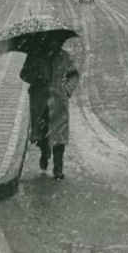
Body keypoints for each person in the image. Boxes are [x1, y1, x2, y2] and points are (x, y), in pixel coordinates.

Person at [19, 38, 79, 179]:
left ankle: (58, 167)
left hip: (58, 101)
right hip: (40, 100)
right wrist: (36, 76)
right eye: (49, 41)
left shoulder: (64, 57)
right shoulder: (35, 55)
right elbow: (23, 74)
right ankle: (44, 151)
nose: (53, 44)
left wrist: (66, 90)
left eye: (56, 42)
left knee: (59, 134)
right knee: (42, 131)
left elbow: (74, 75)